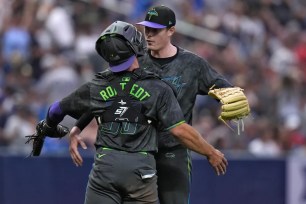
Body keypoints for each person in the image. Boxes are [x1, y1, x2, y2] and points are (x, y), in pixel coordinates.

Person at [36, 21, 227, 204]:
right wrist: (211, 152)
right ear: (135, 46)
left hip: (105, 167)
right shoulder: (157, 88)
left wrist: (50, 127)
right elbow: (180, 131)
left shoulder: (96, 86)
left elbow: (56, 109)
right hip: (140, 168)